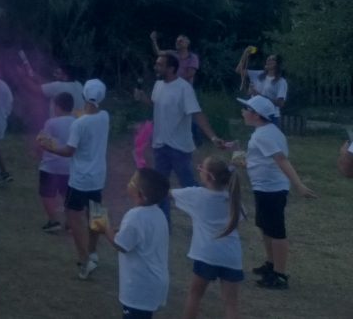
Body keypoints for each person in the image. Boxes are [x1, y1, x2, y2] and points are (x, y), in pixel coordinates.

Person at [235, 95, 317, 290]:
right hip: (263, 187)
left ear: (256, 115)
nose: (243, 112)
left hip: (272, 189)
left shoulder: (265, 135)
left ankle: (279, 276)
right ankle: (271, 264)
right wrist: (237, 152)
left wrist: (299, 185)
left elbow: (281, 160)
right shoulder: (264, 131)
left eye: (246, 109)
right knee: (265, 226)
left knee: (276, 231)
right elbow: (260, 159)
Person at [135, 53, 225, 221]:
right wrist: (143, 99)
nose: (156, 67)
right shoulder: (158, 85)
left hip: (179, 148)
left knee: (189, 185)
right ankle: (163, 224)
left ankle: (207, 217)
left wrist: (213, 137)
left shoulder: (184, 88)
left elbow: (197, 114)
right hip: (160, 146)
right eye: (156, 64)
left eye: (160, 65)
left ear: (171, 68)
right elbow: (156, 105)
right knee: (160, 187)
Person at [39, 79, 110, 279]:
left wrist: (49, 146)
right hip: (99, 176)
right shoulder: (105, 116)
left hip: (80, 178)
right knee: (96, 213)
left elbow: (69, 151)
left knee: (73, 215)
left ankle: (84, 259)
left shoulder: (80, 124)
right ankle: (93, 251)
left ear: (84, 96)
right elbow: (87, 114)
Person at [173, 156, 245, 319]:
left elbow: (167, 193)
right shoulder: (233, 198)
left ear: (209, 177)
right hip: (231, 256)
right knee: (231, 304)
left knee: (195, 295)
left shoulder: (195, 195)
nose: (199, 171)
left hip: (206, 255)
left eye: (201, 169)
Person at [102, 168, 171, 319]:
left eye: (132, 182)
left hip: (139, 287)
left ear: (141, 195)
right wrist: (117, 229)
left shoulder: (135, 216)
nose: (128, 183)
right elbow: (140, 235)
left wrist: (105, 227)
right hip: (154, 282)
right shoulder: (158, 213)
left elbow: (121, 245)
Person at [35, 92, 75, 233]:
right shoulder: (76, 122)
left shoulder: (51, 122)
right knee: (66, 194)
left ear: (57, 106)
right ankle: (70, 223)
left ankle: (53, 221)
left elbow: (44, 141)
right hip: (69, 166)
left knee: (47, 194)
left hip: (50, 165)